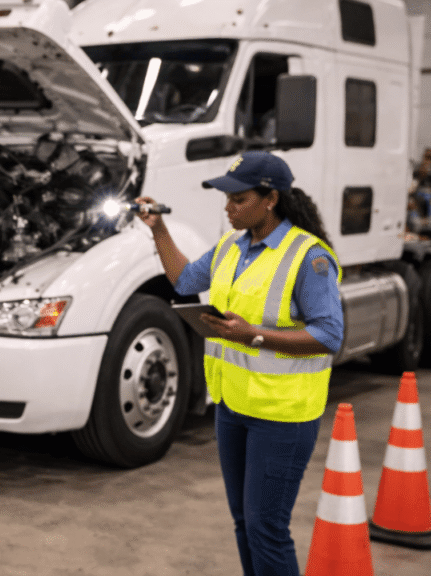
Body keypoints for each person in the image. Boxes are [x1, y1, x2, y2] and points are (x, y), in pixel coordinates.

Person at [136, 151, 343, 576]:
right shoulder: (232, 246)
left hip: (283, 415)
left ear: (271, 199)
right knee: (245, 523)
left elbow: (329, 336)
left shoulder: (309, 257)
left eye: (239, 199)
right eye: (226, 199)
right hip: (233, 406)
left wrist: (254, 336)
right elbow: (184, 280)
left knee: (267, 528)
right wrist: (159, 230)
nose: (228, 208)